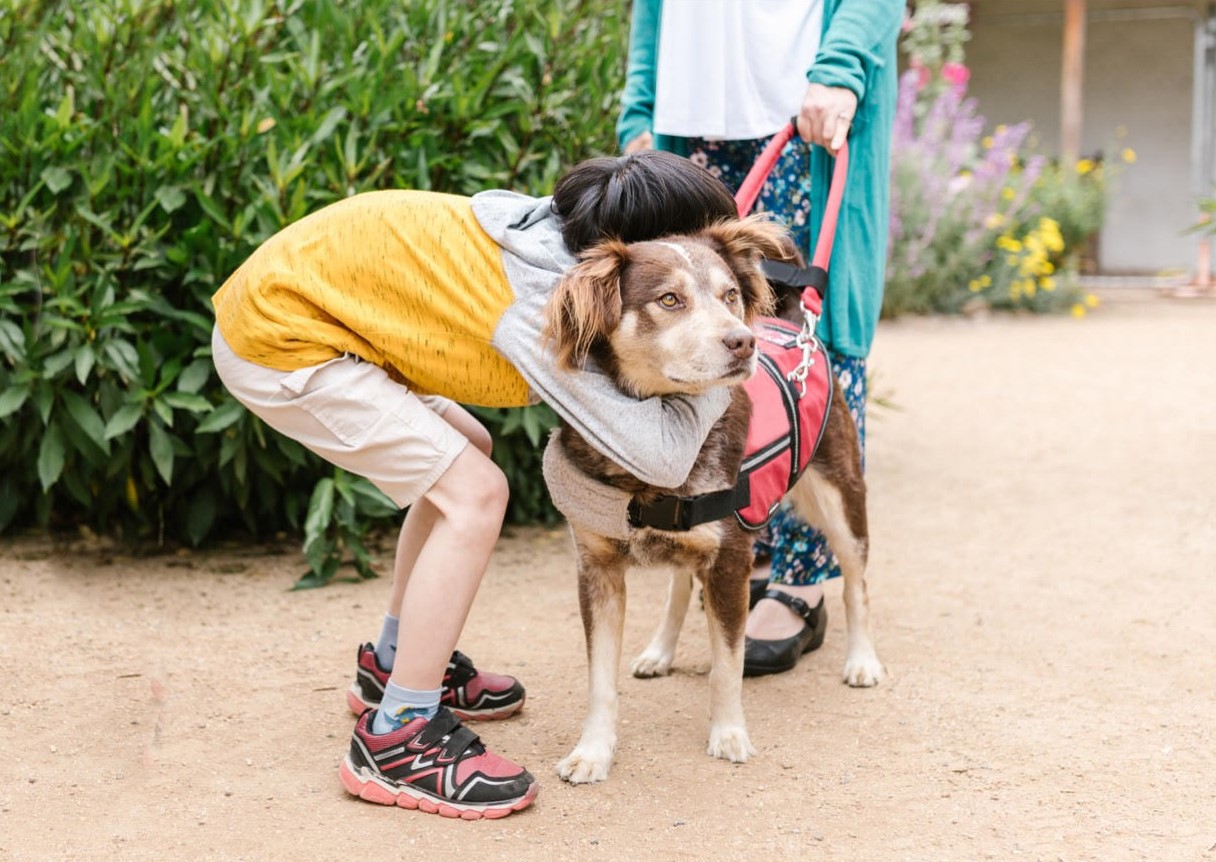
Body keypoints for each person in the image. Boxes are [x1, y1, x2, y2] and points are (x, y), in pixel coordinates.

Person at [209, 149, 743, 819]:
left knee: (467, 449)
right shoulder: (548, 303)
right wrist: (731, 369)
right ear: (628, 247)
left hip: (298, 315)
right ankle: (398, 738)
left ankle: (395, 665)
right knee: (476, 492)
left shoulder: (552, 235)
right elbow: (662, 460)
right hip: (280, 340)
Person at [618, 0, 902, 676]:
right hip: (694, 129)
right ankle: (744, 547)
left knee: (805, 351)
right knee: (703, 353)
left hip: (807, 112)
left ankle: (804, 584)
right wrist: (640, 113)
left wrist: (841, 68)